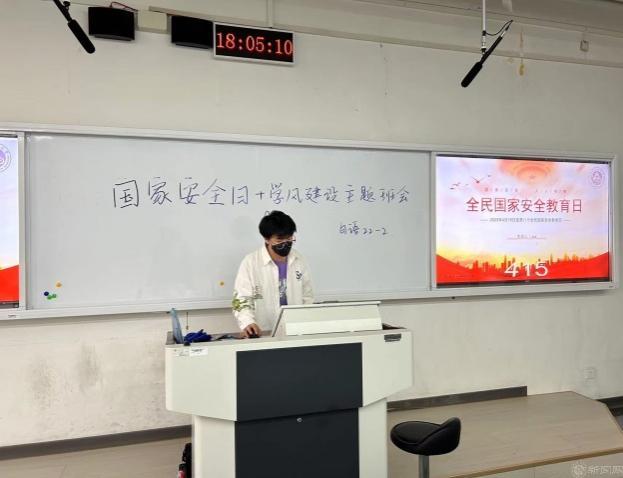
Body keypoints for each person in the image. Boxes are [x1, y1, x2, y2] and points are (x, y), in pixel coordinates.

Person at [232, 211, 314, 338]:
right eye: (280, 239)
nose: (285, 243)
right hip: (263, 332)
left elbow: (307, 296)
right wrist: (248, 322)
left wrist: (306, 323)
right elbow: (241, 299)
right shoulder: (251, 262)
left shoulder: (299, 260)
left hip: (296, 331)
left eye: (289, 238)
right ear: (266, 239)